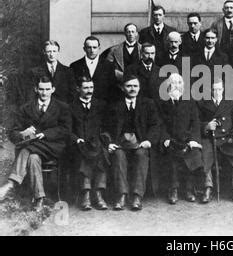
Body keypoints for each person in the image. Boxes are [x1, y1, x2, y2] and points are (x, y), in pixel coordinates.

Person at [0, 76, 71, 211]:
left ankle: (11, 183)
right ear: (36, 89)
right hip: (35, 149)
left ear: (53, 90)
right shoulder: (26, 108)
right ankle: (39, 198)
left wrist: (45, 134)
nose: (44, 93)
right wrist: (23, 133)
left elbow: (66, 130)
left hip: (53, 146)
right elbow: (13, 132)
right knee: (33, 158)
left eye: (47, 89)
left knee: (27, 149)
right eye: (41, 89)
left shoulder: (62, 107)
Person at [104, 75, 160, 211]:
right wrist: (109, 142)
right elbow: (105, 127)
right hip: (120, 144)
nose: (132, 89)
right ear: (123, 88)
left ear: (139, 88)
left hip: (140, 143)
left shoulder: (148, 104)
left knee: (141, 155)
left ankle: (136, 196)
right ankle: (121, 195)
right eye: (129, 86)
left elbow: (156, 125)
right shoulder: (114, 105)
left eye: (135, 86)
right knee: (118, 155)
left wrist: (148, 140)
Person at [197, 79, 233, 205]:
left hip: (227, 138)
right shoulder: (203, 103)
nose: (217, 92)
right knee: (204, 154)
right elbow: (196, 122)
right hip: (210, 138)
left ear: (223, 90)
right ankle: (208, 188)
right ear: (210, 90)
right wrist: (207, 126)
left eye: (219, 89)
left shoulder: (231, 103)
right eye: (214, 89)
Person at [158, 73, 203, 204]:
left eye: (179, 83)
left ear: (183, 86)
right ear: (168, 86)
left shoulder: (190, 102)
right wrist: (165, 138)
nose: (176, 86)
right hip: (171, 140)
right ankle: (173, 189)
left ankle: (189, 189)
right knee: (172, 156)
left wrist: (193, 140)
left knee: (192, 153)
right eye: (173, 83)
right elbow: (160, 124)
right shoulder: (163, 103)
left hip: (187, 139)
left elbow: (195, 123)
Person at [69, 76, 109, 211]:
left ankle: (98, 194)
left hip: (97, 142)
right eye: (85, 88)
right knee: (83, 154)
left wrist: (104, 139)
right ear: (78, 89)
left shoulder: (101, 105)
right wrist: (76, 139)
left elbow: (107, 127)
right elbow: (66, 129)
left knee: (102, 154)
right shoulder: (71, 107)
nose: (89, 91)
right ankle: (86, 194)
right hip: (78, 144)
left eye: (91, 87)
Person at [70, 36, 117, 102]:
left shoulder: (109, 65)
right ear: (84, 49)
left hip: (103, 106)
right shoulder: (75, 66)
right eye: (89, 47)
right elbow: (73, 89)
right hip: (81, 106)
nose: (92, 50)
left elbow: (112, 89)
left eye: (94, 47)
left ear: (99, 48)